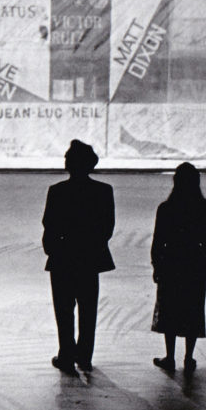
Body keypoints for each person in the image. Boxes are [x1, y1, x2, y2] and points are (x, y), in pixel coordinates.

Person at [42, 139, 115, 374]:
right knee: (88, 309)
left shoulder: (57, 191)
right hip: (89, 258)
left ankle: (66, 354)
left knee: (64, 310)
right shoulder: (103, 191)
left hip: (62, 258)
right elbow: (107, 227)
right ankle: (84, 355)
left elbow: (49, 225)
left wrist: (53, 249)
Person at [150, 162, 206, 375]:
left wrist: (157, 265)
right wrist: (204, 262)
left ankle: (170, 356)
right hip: (193, 264)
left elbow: (158, 241)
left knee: (170, 309)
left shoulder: (166, 208)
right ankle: (189, 357)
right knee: (192, 309)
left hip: (171, 262)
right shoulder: (203, 208)